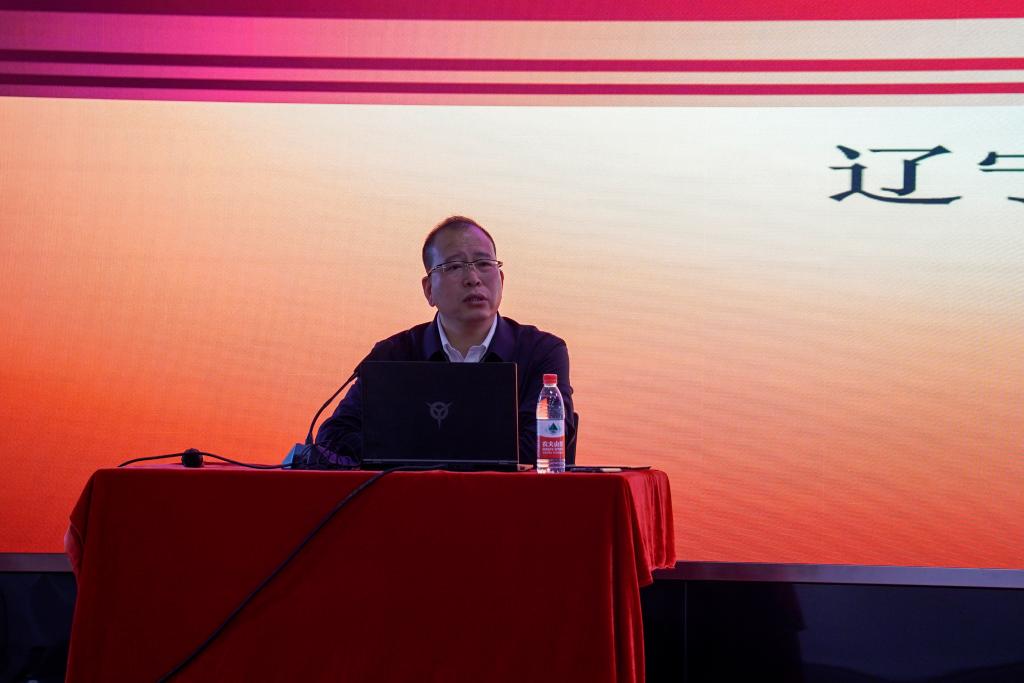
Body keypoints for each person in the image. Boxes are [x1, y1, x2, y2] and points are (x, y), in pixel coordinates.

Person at [315, 216, 575, 465]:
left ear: (502, 279)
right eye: (454, 267)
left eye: (484, 263)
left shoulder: (541, 352)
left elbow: (546, 441)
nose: (473, 278)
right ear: (429, 289)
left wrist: (413, 450)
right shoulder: (392, 355)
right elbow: (334, 436)